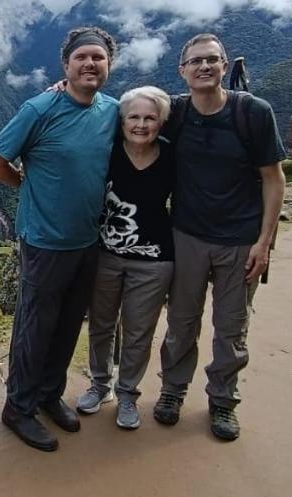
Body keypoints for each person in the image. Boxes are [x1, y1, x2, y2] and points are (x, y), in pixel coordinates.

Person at [0, 26, 120, 452]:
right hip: (43, 241)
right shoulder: (39, 108)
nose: (90, 64)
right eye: (82, 58)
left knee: (65, 328)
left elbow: (158, 116)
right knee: (34, 328)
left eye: (98, 57)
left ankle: (47, 394)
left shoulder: (114, 110)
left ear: (109, 66)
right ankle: (18, 407)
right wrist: (27, 184)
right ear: (66, 66)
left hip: (87, 240)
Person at [154, 33, 286, 441]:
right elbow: (126, 115)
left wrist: (264, 242)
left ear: (225, 66)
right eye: (195, 61)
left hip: (240, 240)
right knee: (181, 322)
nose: (204, 67)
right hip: (188, 235)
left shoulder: (253, 113)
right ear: (182, 70)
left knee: (231, 327)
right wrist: (62, 89)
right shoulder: (174, 113)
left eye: (212, 60)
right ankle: (172, 391)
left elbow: (273, 179)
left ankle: (223, 402)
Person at [74, 86, 176, 430]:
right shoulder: (108, 153)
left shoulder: (173, 157)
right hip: (105, 255)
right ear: (122, 121)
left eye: (150, 118)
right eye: (134, 117)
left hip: (154, 259)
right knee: (101, 324)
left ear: (161, 122)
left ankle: (128, 393)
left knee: (138, 331)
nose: (142, 125)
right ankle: (99, 384)